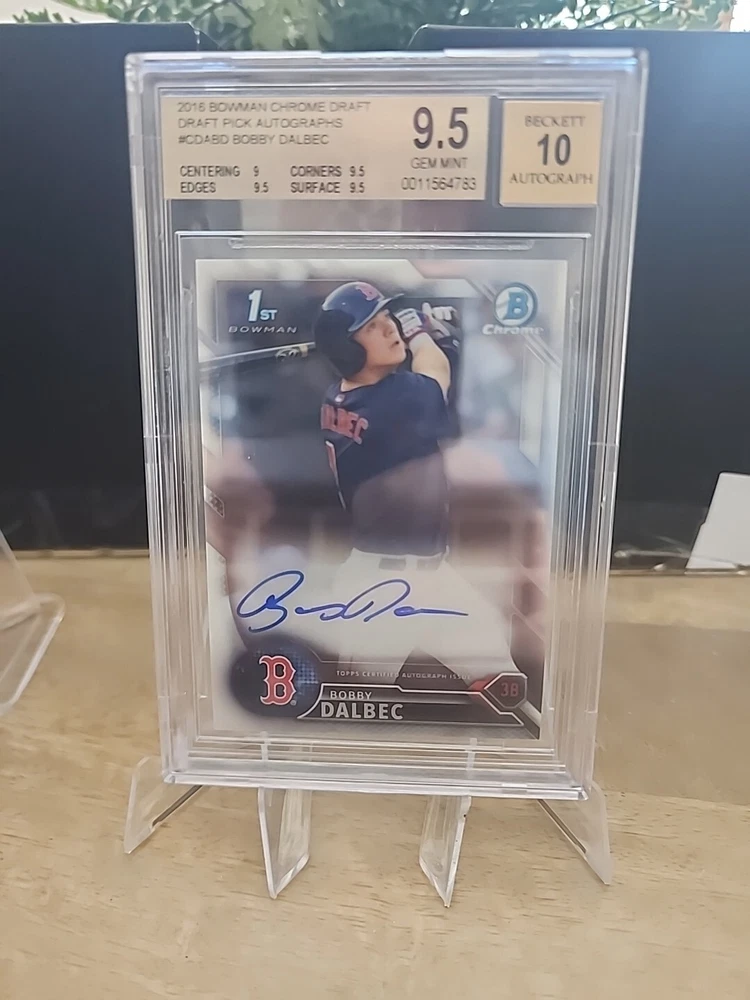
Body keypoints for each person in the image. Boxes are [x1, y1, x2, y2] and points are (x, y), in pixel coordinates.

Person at [314, 281, 538, 725]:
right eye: (371, 327)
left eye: (388, 318)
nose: (389, 328)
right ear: (347, 348)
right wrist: (420, 330)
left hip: (431, 579)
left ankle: (532, 744)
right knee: (357, 713)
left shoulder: (337, 395)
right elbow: (435, 367)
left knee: (504, 685)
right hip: (379, 592)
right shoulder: (397, 400)